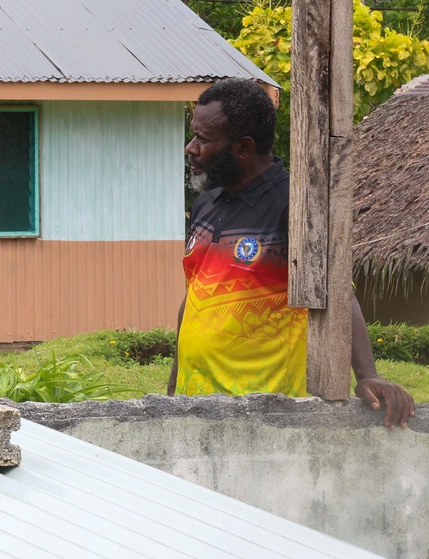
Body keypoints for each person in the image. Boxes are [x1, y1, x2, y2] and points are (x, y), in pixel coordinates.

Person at [170, 77, 415, 428]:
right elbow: (195, 296)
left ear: (244, 148)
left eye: (204, 140)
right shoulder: (207, 203)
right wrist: (172, 390)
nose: (190, 148)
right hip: (194, 408)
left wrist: (367, 373)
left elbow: (336, 291)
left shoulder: (296, 206)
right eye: (193, 136)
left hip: (265, 415)